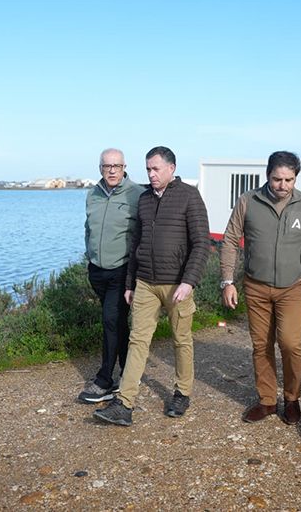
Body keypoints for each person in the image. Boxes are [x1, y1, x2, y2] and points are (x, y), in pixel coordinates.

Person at [93, 146, 210, 426]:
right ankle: (124, 404)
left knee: (181, 340)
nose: (151, 174)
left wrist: (189, 281)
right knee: (137, 341)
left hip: (177, 285)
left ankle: (182, 393)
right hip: (145, 283)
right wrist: (131, 283)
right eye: (148, 169)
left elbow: (201, 243)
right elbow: (136, 243)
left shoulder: (189, 196)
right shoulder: (144, 199)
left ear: (171, 168)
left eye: (156, 169)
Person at [220, 151, 301, 425]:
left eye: (289, 180)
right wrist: (227, 281)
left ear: (296, 178)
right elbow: (231, 240)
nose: (283, 185)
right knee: (261, 345)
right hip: (256, 287)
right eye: (277, 179)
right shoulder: (248, 201)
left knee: (291, 344)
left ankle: (292, 398)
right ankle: (267, 400)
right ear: (267, 175)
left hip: (292, 287)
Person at [78, 149, 145, 403]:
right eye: (107, 166)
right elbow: (88, 229)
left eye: (117, 165)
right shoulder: (92, 195)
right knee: (116, 323)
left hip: (121, 270)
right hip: (96, 270)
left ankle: (105, 380)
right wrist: (90, 255)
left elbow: (143, 234)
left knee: (110, 320)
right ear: (100, 168)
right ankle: (130, 371)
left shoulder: (136, 195)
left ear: (125, 166)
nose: (112, 170)